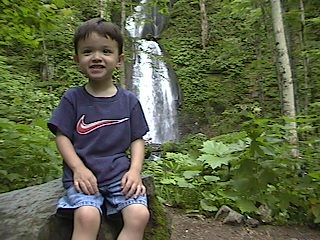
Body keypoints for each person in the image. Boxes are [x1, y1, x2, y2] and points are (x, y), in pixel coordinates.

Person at [48, 18, 150, 240]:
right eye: (87, 51)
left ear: (119, 59)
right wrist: (78, 168)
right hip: (84, 177)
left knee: (139, 215)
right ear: (77, 59)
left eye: (105, 51)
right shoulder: (72, 98)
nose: (96, 57)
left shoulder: (129, 101)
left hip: (119, 176)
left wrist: (135, 171)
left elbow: (137, 139)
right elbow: (62, 136)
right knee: (87, 216)